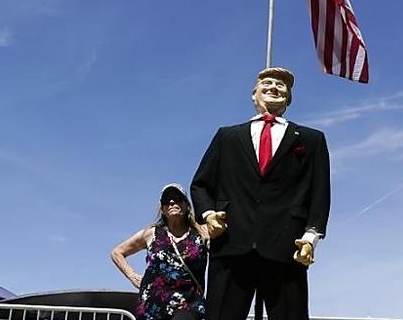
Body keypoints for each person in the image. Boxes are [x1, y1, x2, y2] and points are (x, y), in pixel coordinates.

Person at [190, 67, 331, 320]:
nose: (274, 87)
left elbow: (319, 194)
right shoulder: (227, 137)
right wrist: (209, 215)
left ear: (288, 98)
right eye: (267, 83)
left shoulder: (311, 140)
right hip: (231, 243)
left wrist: (311, 237)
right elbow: (201, 184)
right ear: (254, 94)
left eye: (281, 85)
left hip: (286, 246)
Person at [111, 183, 208, 320]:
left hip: (188, 306)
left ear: (187, 205)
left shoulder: (201, 233)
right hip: (153, 307)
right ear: (162, 209)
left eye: (177, 198)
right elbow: (117, 252)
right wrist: (132, 275)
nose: (172, 202)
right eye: (166, 200)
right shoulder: (151, 234)